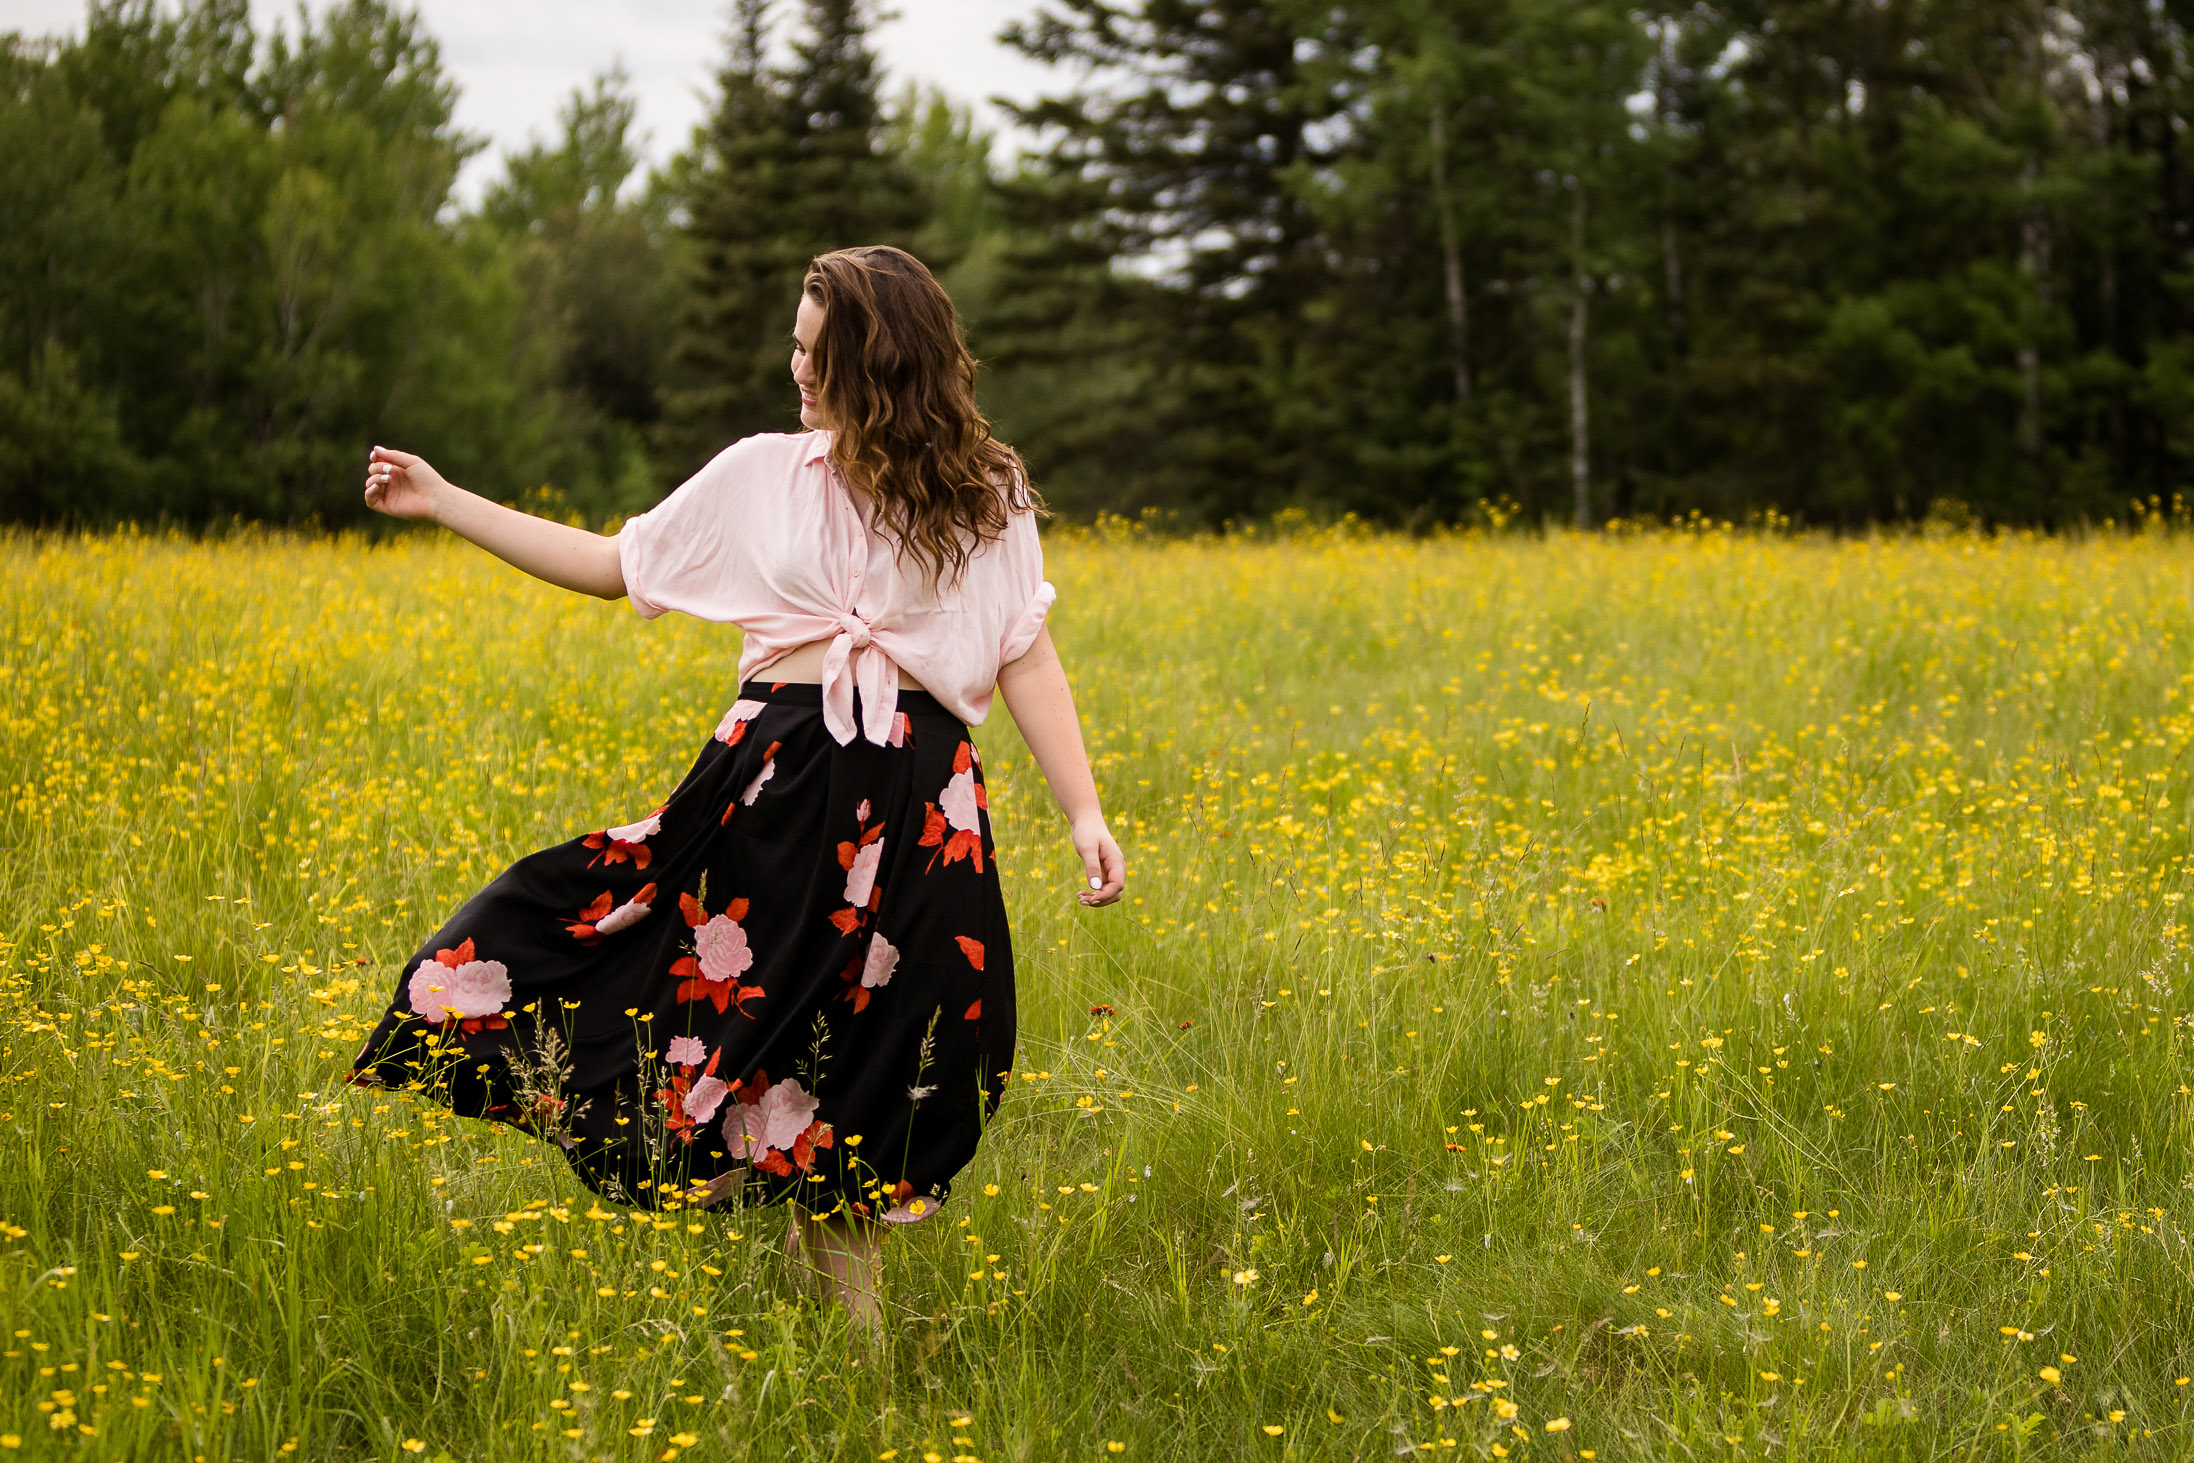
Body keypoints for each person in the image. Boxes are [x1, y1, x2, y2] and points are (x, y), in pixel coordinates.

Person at [349, 244, 1125, 1336]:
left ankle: (854, 1365)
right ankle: (709, 1174)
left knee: (895, 1051)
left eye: (815, 352)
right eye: (794, 345)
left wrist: (1084, 810)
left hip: (922, 805)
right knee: (679, 991)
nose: (794, 368)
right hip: (778, 789)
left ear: (878, 361)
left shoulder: (982, 489)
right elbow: (614, 563)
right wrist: (445, 500)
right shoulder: (761, 470)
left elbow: (1023, 651)